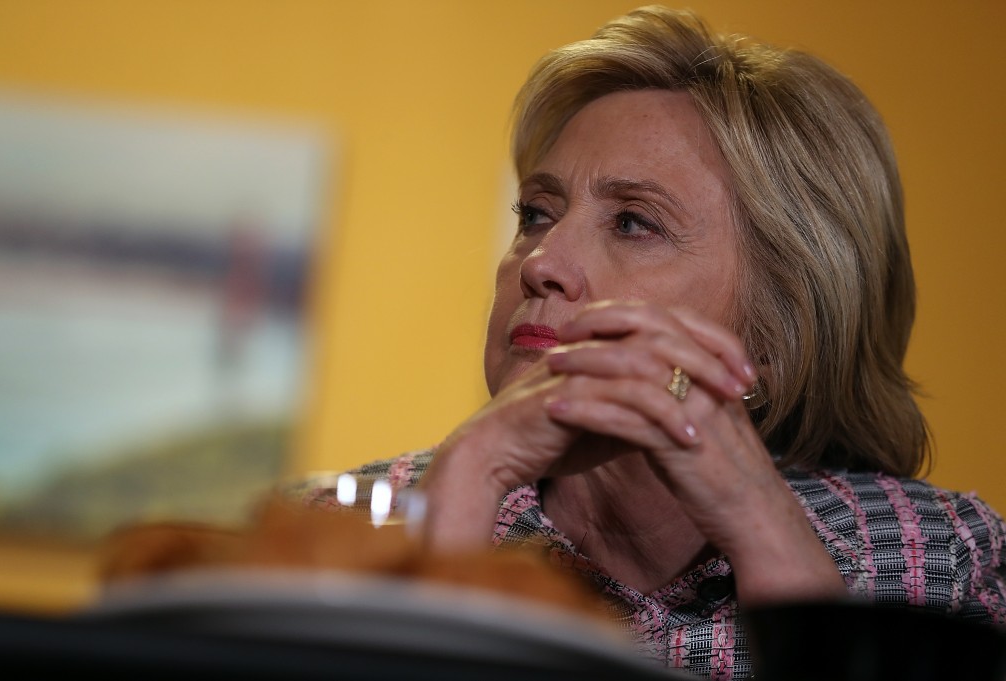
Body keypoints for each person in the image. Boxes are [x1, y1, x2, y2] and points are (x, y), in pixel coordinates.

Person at [296, 5, 1006, 679]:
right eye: (536, 213)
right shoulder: (321, 532)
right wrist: (468, 482)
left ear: (783, 328)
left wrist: (763, 530)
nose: (541, 261)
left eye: (634, 222)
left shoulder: (944, 558)